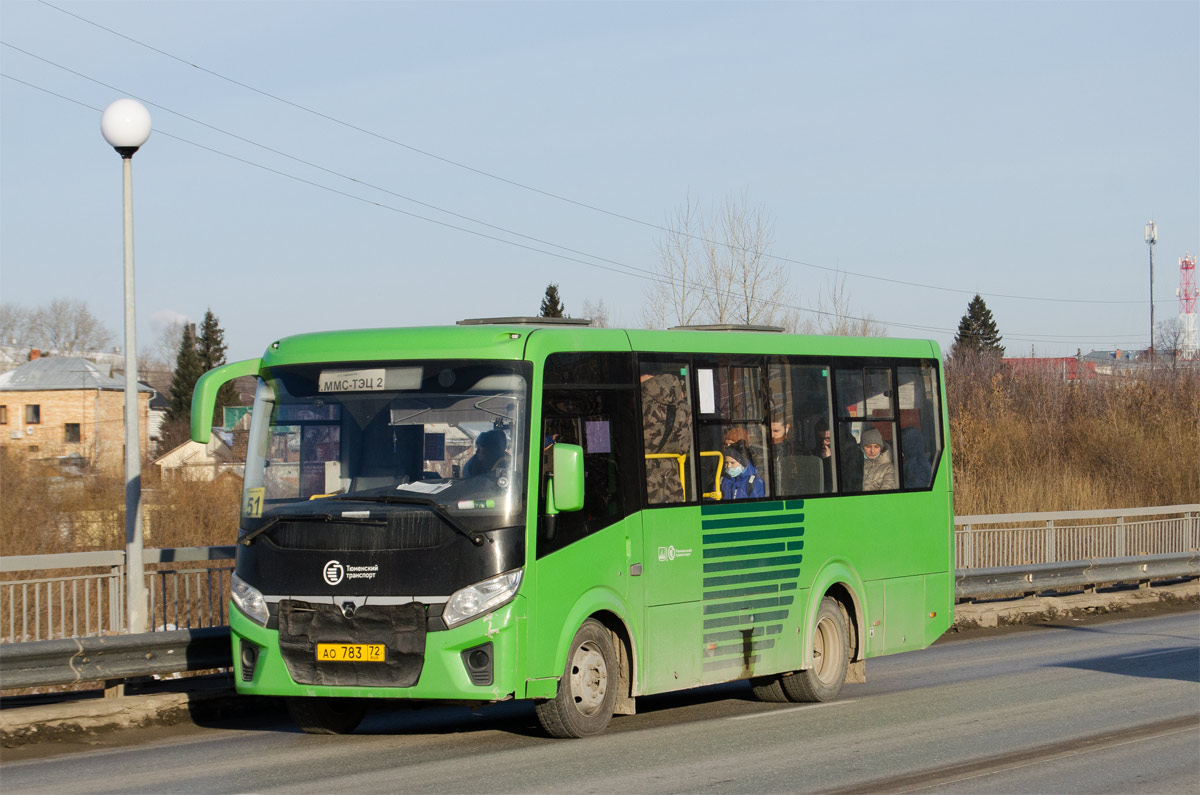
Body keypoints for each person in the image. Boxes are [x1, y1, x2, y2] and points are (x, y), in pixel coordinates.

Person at [641, 371, 692, 503]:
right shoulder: (684, 407)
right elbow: (685, 446)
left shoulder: (640, 401)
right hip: (672, 473)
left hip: (644, 472)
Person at [810, 419, 833, 492]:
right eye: (820, 439)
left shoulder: (841, 453)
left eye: (827, 439)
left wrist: (828, 458)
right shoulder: (813, 453)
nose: (823, 442)